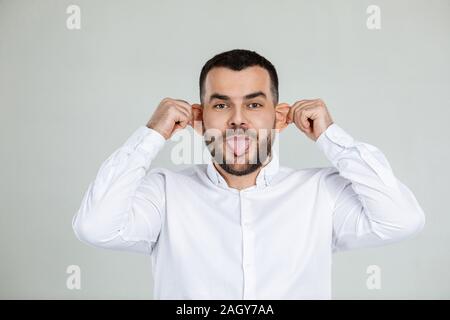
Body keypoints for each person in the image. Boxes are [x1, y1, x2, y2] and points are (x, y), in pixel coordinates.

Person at [72, 49, 425, 299]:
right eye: (221, 104)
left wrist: (330, 136)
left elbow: (402, 220)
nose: (238, 119)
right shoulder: (163, 194)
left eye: (254, 105)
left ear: (279, 116)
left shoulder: (321, 194)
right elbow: (95, 226)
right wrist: (152, 134)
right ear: (199, 118)